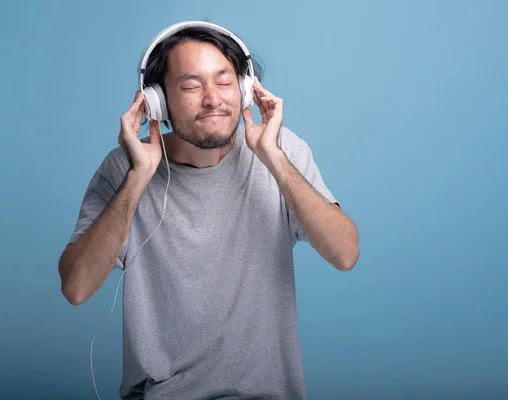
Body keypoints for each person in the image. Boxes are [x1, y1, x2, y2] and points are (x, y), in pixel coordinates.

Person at [58, 21, 359, 400]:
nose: (213, 98)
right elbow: (76, 288)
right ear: (157, 101)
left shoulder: (281, 150)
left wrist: (274, 159)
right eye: (190, 85)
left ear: (247, 90)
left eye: (224, 81)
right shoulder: (125, 168)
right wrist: (138, 179)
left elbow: (346, 254)